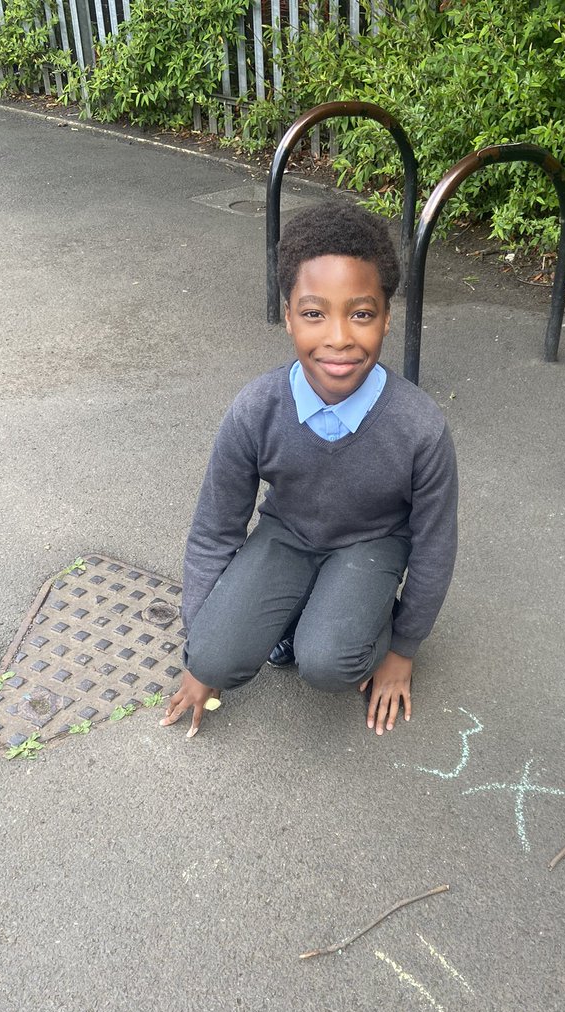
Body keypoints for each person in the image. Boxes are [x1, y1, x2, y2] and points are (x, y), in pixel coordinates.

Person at [161, 200, 458, 739]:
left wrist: (402, 650)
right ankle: (303, 603)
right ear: (289, 316)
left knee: (327, 664)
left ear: (387, 318)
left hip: (373, 540)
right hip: (288, 533)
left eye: (361, 313)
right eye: (314, 313)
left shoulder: (420, 427)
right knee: (216, 652)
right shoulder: (256, 409)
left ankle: (358, 612)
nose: (339, 337)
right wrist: (202, 648)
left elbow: (434, 546)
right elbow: (215, 529)